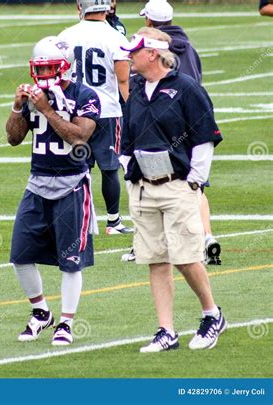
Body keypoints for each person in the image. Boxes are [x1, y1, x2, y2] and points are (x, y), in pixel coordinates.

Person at [119, 28, 226, 352]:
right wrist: (128, 168)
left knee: (186, 256)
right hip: (142, 187)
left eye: (134, 51)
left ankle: (211, 313)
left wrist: (194, 179)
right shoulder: (136, 89)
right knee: (156, 258)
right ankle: (166, 330)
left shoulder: (186, 89)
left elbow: (204, 136)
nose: (128, 57)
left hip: (177, 184)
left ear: (152, 53)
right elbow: (127, 136)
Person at [6, 36, 101, 346]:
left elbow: (79, 137)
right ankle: (41, 312)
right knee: (20, 254)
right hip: (37, 183)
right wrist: (19, 108)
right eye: (39, 68)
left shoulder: (85, 95)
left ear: (65, 68)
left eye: (49, 68)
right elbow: (13, 138)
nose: (43, 74)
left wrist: (47, 110)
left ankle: (67, 322)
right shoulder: (35, 96)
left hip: (72, 184)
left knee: (70, 260)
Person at [136, 0, 222, 265]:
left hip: (166, 123)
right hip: (189, 119)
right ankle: (207, 237)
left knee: (162, 185)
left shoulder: (152, 49)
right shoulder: (190, 47)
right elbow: (198, 79)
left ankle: (172, 246)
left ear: (149, 21)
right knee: (195, 187)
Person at [59, 0, 133, 236]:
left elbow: (58, 72)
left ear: (82, 7)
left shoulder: (66, 35)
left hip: (75, 110)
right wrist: (134, 110)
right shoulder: (116, 37)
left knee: (79, 166)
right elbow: (123, 81)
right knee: (110, 167)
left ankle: (81, 219)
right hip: (107, 111)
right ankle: (113, 221)